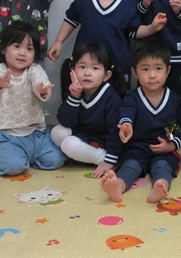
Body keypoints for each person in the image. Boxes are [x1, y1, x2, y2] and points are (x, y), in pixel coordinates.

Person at [100, 41, 181, 203]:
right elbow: (126, 112)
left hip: (164, 149)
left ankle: (160, 186)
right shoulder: (132, 97)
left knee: (163, 167)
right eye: (145, 69)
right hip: (137, 147)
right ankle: (118, 186)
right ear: (134, 73)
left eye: (158, 68)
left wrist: (171, 145)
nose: (152, 75)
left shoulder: (175, 99)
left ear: (168, 71)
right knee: (130, 165)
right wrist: (126, 124)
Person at [0, 21, 66, 176]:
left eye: (29, 49)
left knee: (56, 160)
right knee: (14, 168)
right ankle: (11, 155)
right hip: (6, 136)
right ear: (3, 49)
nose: (23, 53)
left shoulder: (34, 70)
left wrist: (41, 89)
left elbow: (39, 81)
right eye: (17, 46)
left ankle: (25, 157)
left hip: (36, 134)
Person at [50, 43, 127, 177]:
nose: (87, 73)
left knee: (69, 145)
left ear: (106, 75)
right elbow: (66, 121)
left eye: (95, 68)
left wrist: (110, 159)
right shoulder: (75, 89)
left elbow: (115, 132)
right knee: (56, 132)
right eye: (82, 67)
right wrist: (74, 97)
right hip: (84, 136)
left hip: (103, 142)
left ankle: (103, 159)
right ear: (73, 70)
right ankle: (79, 155)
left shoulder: (111, 98)